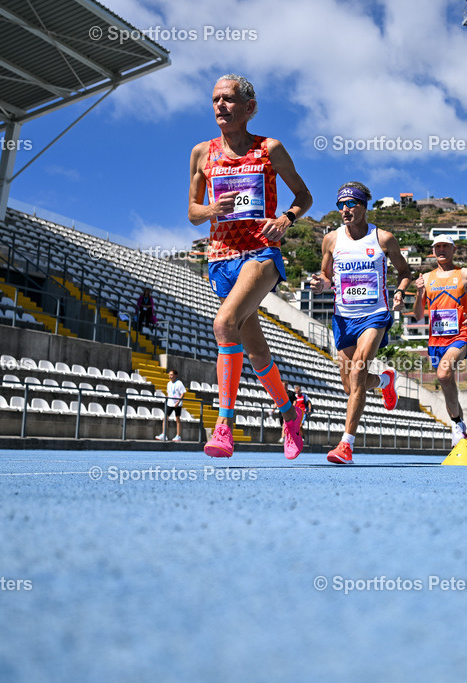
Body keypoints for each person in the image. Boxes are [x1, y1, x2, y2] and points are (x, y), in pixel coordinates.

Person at [188, 73, 313, 460]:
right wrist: (209, 210)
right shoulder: (202, 153)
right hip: (221, 258)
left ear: (249, 108)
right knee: (256, 351)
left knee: (224, 324)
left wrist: (286, 220)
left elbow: (304, 196)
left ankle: (223, 427)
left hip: (260, 252)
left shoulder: (269, 148)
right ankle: (291, 413)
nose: (219, 106)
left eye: (227, 99)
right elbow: (193, 212)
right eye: (214, 100)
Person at [310, 182, 412, 465]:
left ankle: (346, 445)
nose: (345, 209)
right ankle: (384, 381)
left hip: (374, 314)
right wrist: (320, 284)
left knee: (357, 372)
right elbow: (326, 276)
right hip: (343, 317)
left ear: (364, 206)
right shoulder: (331, 240)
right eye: (340, 204)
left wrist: (400, 292)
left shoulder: (383, 239)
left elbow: (405, 271)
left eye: (351, 203)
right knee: (349, 385)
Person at [412, 235, 467, 447]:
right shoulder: (427, 278)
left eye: (445, 246)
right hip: (435, 340)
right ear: (433, 251)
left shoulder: (464, 274)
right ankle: (459, 424)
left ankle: (457, 426)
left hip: (460, 336)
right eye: (437, 246)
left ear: (453, 250)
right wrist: (419, 292)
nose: (441, 250)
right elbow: (419, 315)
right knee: (447, 382)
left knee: (443, 372)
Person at [156, 369, 186, 442]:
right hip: (170, 403)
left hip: (177, 404)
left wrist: (178, 402)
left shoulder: (179, 383)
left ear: (175, 375)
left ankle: (178, 436)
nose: (170, 376)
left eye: (172, 375)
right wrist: (167, 398)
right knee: (165, 418)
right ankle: (164, 434)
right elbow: (169, 393)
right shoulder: (168, 383)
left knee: (177, 419)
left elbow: (183, 393)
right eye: (169, 375)